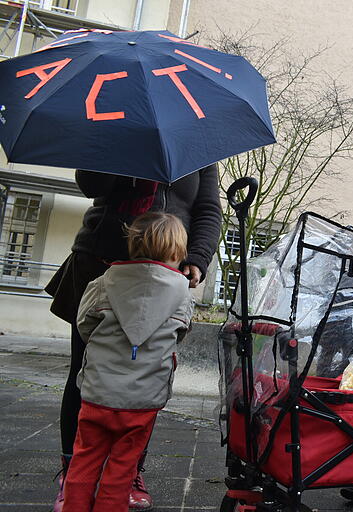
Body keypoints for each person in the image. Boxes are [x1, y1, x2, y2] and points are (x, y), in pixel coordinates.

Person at [45, 166, 222, 511]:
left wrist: (198, 257)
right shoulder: (119, 123)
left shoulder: (199, 150)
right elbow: (91, 184)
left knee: (144, 376)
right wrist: (120, 151)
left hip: (165, 272)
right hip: (101, 261)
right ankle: (74, 471)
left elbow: (208, 208)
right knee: (85, 372)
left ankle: (128, 473)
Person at [62, 212, 193, 511]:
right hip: (143, 400)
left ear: (133, 245)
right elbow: (180, 332)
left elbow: (84, 325)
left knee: (84, 460)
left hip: (98, 392)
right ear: (177, 251)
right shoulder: (183, 293)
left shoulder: (103, 281)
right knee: (122, 469)